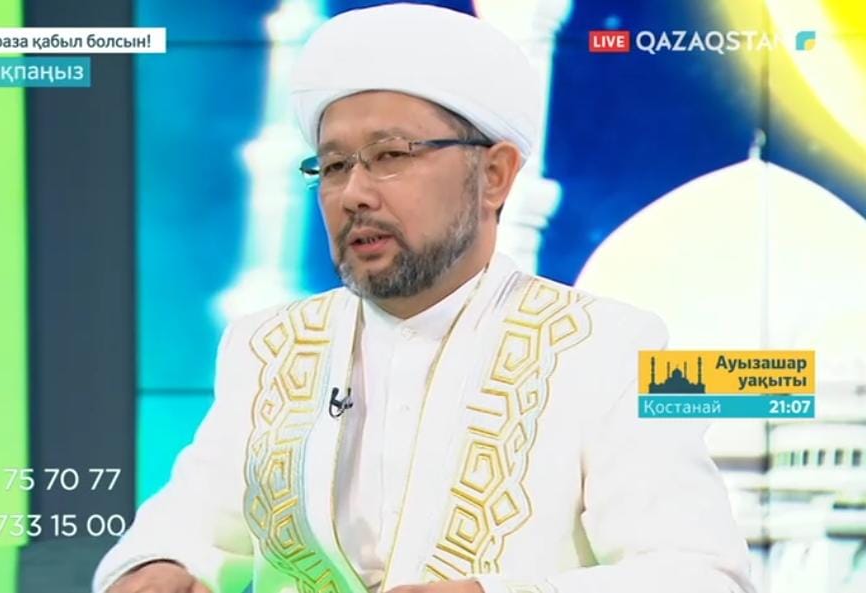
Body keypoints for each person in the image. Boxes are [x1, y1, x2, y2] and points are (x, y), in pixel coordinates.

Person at [94, 4, 753, 593]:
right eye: (333, 166)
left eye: (391, 156)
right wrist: (157, 566)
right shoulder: (269, 346)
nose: (354, 194)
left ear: (494, 175)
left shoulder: (605, 347)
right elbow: (191, 520)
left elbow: (699, 574)